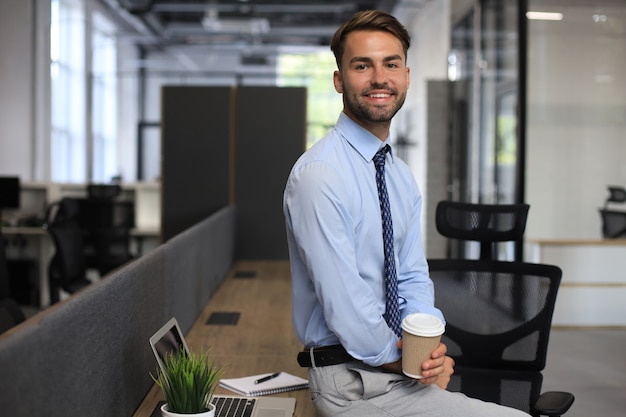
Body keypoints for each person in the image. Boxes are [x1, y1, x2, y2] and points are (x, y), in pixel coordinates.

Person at [283, 9, 529, 417]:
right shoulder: (319, 176)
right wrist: (409, 364)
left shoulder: (398, 176)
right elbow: (346, 303)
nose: (380, 77)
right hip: (353, 384)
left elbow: (412, 275)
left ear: (406, 76)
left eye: (391, 64)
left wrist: (427, 352)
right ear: (340, 80)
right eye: (363, 65)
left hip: (396, 374)